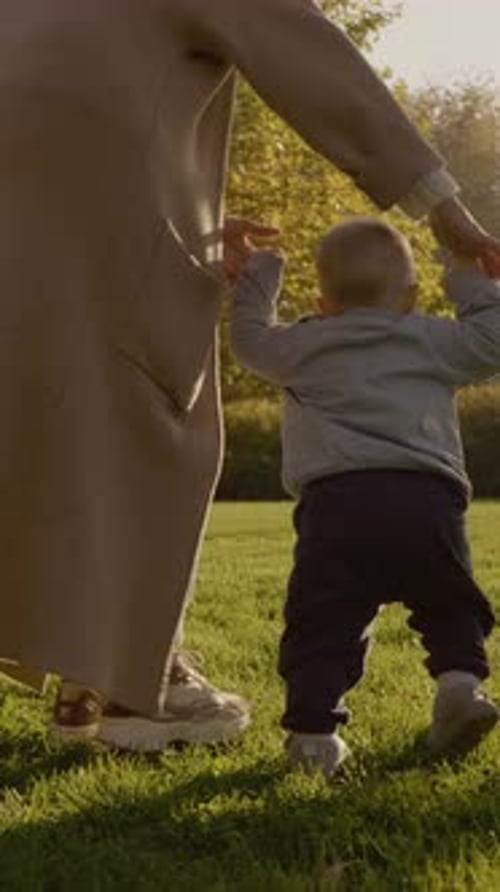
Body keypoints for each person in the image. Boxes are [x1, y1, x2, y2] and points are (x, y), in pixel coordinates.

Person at [1, 0, 500, 753]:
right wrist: (444, 213)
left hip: (28, 165)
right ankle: (128, 688)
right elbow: (314, 62)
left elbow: (80, 91)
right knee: (159, 422)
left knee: (42, 399)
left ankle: (103, 670)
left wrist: (179, 213)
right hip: (75, 157)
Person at [229, 216, 500, 778]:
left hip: (337, 506)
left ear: (323, 301)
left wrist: (261, 273)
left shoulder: (305, 343)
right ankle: (459, 686)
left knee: (323, 619)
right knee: (449, 600)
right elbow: (493, 339)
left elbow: (248, 340)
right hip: (427, 501)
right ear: (412, 296)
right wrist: (466, 279)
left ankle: (313, 736)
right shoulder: (429, 338)